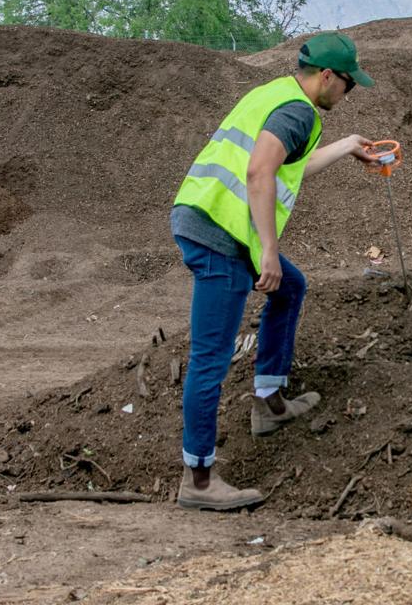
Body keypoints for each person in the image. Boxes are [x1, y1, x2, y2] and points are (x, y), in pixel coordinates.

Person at [170, 31, 375, 510]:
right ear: (327, 76)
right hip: (220, 231)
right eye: (348, 84)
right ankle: (198, 480)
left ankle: (269, 400)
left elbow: (286, 169)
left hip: (213, 217)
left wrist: (347, 146)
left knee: (291, 287)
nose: (348, 94)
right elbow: (260, 173)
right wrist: (267, 248)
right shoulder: (297, 110)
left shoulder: (276, 95)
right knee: (211, 357)